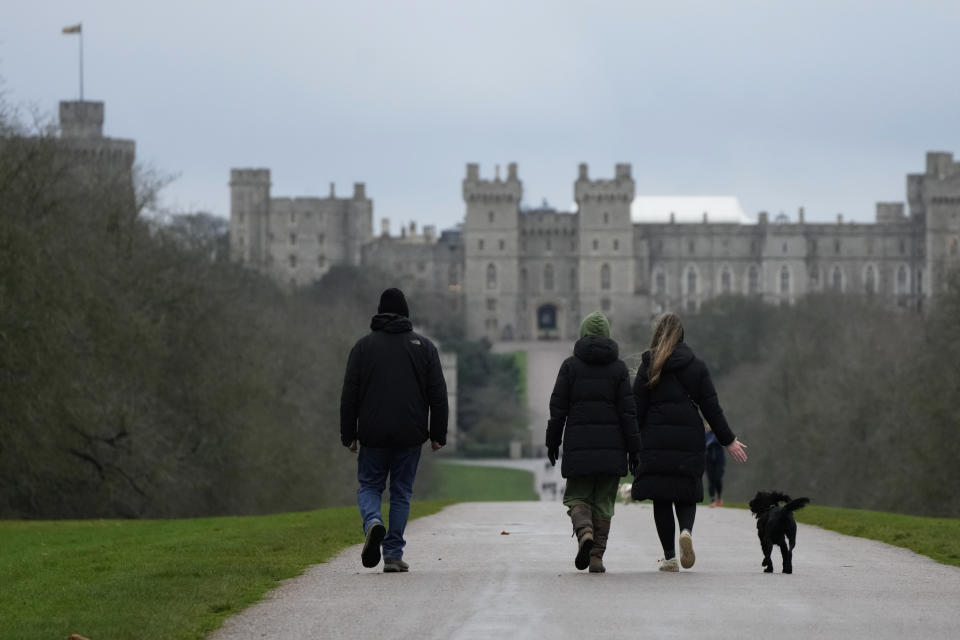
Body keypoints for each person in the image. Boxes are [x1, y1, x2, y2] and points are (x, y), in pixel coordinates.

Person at [340, 287, 448, 573]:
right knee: (401, 492)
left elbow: (349, 395)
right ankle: (393, 553)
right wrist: (438, 433)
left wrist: (348, 433)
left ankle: (373, 521)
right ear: (406, 314)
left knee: (369, 486)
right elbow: (438, 394)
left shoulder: (363, 348)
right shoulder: (424, 347)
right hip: (410, 431)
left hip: (373, 431)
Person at [632, 312, 747, 572]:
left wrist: (631, 444)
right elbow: (712, 408)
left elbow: (635, 409)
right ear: (682, 336)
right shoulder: (696, 366)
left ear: (657, 335)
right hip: (688, 436)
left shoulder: (649, 365)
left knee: (661, 497)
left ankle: (670, 557)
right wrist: (729, 440)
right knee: (686, 491)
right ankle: (686, 531)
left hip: (656, 437)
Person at [546, 311, 640, 573]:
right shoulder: (620, 369)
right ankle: (597, 556)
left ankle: (584, 531)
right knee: (604, 503)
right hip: (613, 450)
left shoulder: (570, 366)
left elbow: (558, 409)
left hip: (579, 448)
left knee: (577, 496)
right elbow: (628, 413)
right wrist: (635, 450)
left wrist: (552, 441)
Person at [703, 427, 726, 507]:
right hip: (709, 461)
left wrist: (712, 441)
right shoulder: (706, 435)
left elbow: (723, 442)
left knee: (718, 479)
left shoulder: (720, 434)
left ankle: (719, 498)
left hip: (719, 461)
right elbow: (704, 445)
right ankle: (712, 500)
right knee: (711, 480)